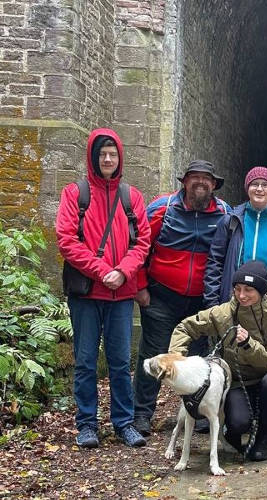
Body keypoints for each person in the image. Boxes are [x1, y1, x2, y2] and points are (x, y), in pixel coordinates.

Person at [56, 128, 151, 448]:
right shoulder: (76, 194)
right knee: (85, 361)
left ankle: (124, 422)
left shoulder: (131, 197)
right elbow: (67, 240)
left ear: (120, 157)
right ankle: (87, 424)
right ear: (93, 158)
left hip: (121, 295)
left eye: (112, 153)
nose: (107, 159)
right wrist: (103, 272)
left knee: (121, 361)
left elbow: (142, 242)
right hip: (86, 294)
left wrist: (123, 272)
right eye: (102, 154)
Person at [131, 160, 230, 437]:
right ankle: (141, 414)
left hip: (200, 301)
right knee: (153, 354)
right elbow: (139, 245)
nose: (200, 183)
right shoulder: (162, 208)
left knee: (197, 358)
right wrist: (139, 286)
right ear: (184, 182)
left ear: (214, 185)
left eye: (206, 179)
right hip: (162, 296)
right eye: (194, 178)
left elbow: (231, 252)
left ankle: (196, 414)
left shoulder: (224, 213)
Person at [169, 260, 267, 461]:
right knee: (239, 423)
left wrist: (248, 344)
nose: (241, 295)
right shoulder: (224, 313)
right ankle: (234, 428)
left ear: (262, 291)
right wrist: (176, 358)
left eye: (248, 290)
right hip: (237, 381)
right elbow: (186, 327)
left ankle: (264, 436)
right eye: (237, 289)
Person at [204, 166, 267, 314]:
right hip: (234, 301)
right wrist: (212, 304)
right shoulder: (231, 221)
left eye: (265, 185)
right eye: (255, 184)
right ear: (247, 188)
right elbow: (215, 263)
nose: (259, 189)